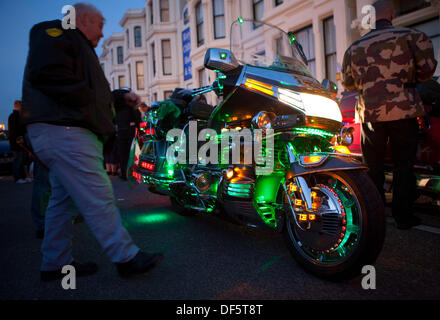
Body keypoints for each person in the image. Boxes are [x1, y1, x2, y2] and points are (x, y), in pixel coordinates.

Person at [21, 3, 162, 281]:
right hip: (66, 131)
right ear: (83, 20)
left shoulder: (71, 42)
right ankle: (126, 257)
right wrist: (91, 103)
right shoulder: (57, 32)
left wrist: (118, 97)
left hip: (60, 129)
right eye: (100, 24)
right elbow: (51, 76)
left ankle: (55, 263)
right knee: (99, 196)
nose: (101, 33)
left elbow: (82, 85)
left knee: (62, 202)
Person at [341, 0, 437, 229]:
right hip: (403, 111)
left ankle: (374, 218)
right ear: (391, 14)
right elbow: (427, 71)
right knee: (404, 165)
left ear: (371, 18)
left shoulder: (354, 48)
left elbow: (348, 83)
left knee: (372, 166)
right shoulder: (413, 37)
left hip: (370, 115)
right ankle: (403, 217)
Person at [113, 89, 141, 180]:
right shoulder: (133, 110)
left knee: (123, 155)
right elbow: (138, 122)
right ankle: (131, 173)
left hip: (121, 133)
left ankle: (124, 173)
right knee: (131, 154)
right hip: (130, 133)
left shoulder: (118, 110)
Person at [8, 100, 31, 183]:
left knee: (20, 160)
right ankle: (18, 178)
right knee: (18, 160)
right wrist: (20, 138)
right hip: (17, 143)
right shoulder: (16, 116)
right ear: (19, 106)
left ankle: (22, 177)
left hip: (16, 142)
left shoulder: (13, 116)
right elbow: (16, 130)